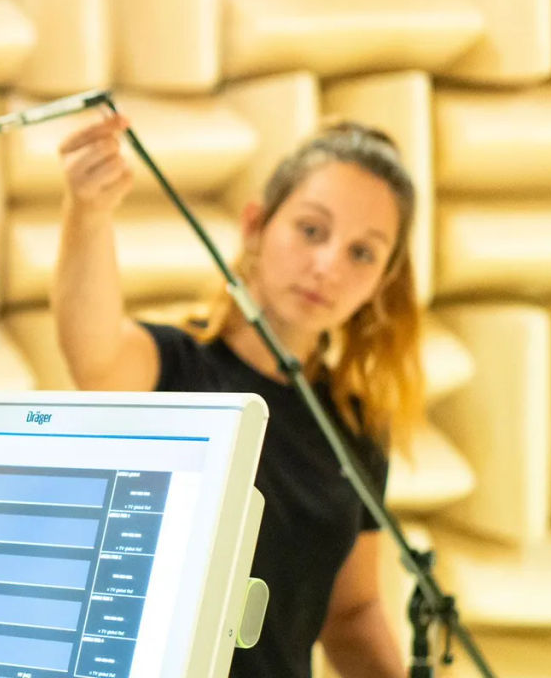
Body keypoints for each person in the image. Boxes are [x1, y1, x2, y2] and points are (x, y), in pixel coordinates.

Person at [51, 112, 423, 678]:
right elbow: (93, 354)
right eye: (311, 230)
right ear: (255, 226)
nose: (327, 266)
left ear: (382, 282)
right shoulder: (173, 366)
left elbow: (351, 613)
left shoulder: (355, 423)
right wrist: (88, 211)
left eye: (362, 253)